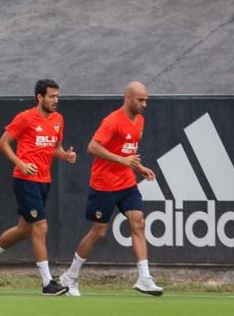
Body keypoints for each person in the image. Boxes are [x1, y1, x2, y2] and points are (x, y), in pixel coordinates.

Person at [59, 82, 163, 297]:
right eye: (140, 100)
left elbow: (129, 151)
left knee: (138, 222)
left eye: (146, 100)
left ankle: (144, 278)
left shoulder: (140, 121)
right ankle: (70, 277)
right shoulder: (113, 121)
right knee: (99, 232)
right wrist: (123, 160)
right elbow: (93, 147)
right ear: (127, 97)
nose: (144, 104)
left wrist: (140, 168)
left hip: (127, 183)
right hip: (104, 184)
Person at [0, 79, 76, 295]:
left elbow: (54, 148)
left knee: (24, 229)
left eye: (57, 96)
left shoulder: (59, 119)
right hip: (25, 180)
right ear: (40, 97)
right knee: (40, 227)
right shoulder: (25, 117)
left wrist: (65, 155)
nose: (56, 100)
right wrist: (20, 163)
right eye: (52, 96)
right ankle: (48, 282)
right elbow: (3, 143)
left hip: (44, 181)